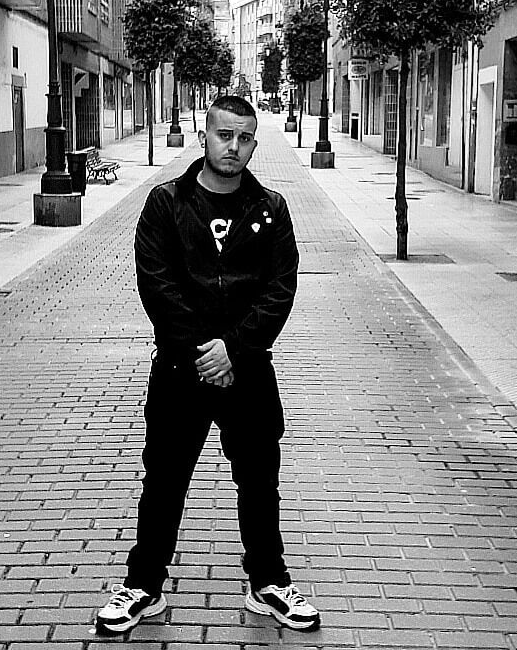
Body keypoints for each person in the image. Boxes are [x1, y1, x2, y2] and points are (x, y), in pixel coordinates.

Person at [96, 96, 320, 634]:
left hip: (248, 370)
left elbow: (280, 289)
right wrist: (205, 350)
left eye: (244, 138)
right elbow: (157, 285)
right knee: (165, 479)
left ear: (254, 144)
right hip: (181, 369)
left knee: (259, 480)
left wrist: (234, 350)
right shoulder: (166, 203)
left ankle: (268, 583)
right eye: (224, 135)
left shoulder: (271, 209)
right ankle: (143, 586)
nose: (233, 147)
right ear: (205, 136)